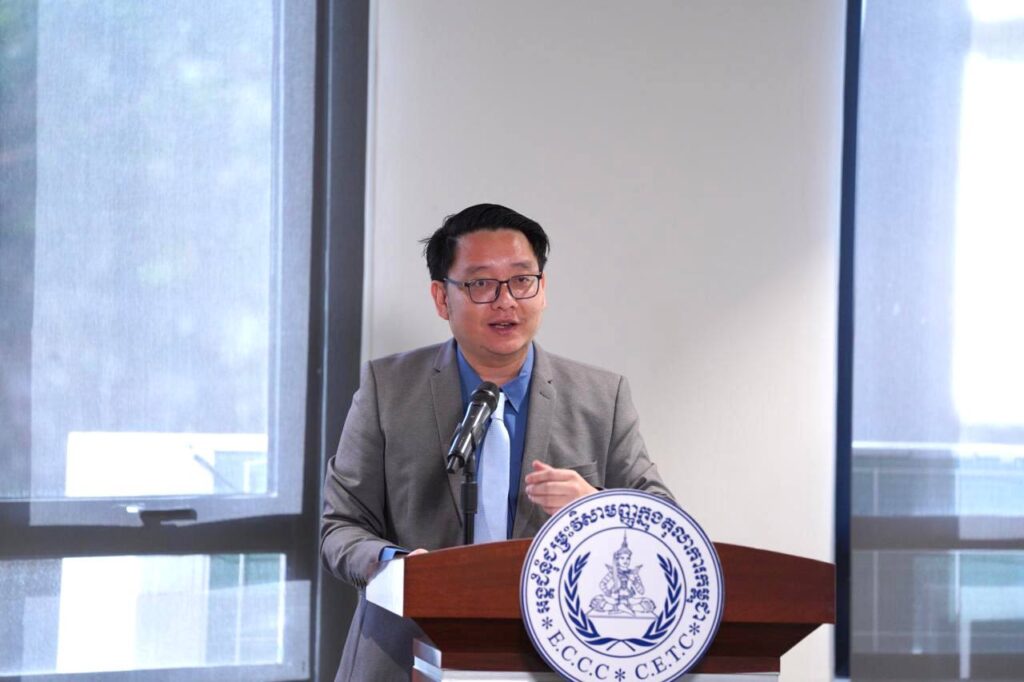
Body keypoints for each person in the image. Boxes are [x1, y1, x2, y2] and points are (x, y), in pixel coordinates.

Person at [321, 203, 673, 681]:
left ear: (543, 290)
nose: (506, 301)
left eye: (522, 280)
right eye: (481, 284)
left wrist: (594, 506)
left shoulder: (601, 397)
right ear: (442, 298)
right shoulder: (388, 389)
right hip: (406, 658)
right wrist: (398, 567)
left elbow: (664, 524)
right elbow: (340, 528)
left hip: (553, 660)